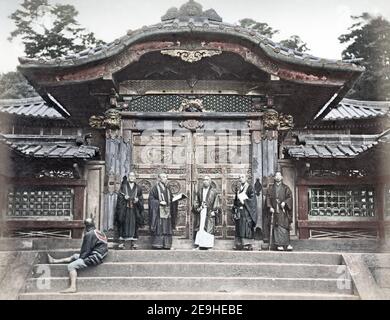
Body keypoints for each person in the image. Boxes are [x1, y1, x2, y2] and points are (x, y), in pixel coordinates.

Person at [47, 218, 108, 293]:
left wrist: (81, 259)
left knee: (71, 266)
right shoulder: (99, 232)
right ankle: (54, 261)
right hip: (100, 255)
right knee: (75, 256)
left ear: (86, 226)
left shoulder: (89, 234)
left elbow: (86, 250)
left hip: (94, 258)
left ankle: (72, 287)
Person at [114, 172, 144, 249]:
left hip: (134, 209)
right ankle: (122, 243)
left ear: (135, 178)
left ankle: (133, 243)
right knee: (123, 223)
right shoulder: (123, 187)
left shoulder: (138, 188)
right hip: (125, 209)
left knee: (134, 225)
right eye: (130, 176)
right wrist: (124, 198)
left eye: (133, 176)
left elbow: (140, 198)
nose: (131, 177)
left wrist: (138, 201)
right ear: (128, 177)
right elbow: (120, 196)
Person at [148, 173, 178, 250]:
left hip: (167, 212)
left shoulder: (167, 189)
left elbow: (171, 200)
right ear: (159, 179)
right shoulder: (155, 188)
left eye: (166, 177)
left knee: (167, 228)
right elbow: (151, 200)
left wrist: (175, 200)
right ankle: (158, 244)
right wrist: (159, 202)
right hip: (159, 212)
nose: (165, 179)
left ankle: (167, 245)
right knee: (159, 228)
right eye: (163, 177)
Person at [265, 171, 293, 251]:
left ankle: (287, 244)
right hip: (275, 210)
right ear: (274, 178)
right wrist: (270, 206)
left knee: (285, 227)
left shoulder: (286, 188)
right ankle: (279, 245)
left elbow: (289, 197)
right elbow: (268, 198)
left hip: (283, 210)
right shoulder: (270, 188)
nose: (277, 177)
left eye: (279, 175)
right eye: (276, 176)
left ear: (282, 177)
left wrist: (285, 202)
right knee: (277, 227)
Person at [192, 176, 221, 250]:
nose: (205, 181)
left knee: (209, 229)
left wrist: (214, 211)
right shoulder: (200, 191)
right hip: (201, 211)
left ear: (210, 181)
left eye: (207, 180)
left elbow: (216, 202)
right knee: (200, 228)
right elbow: (196, 201)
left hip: (209, 212)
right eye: (204, 180)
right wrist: (199, 207)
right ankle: (199, 245)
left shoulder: (214, 192)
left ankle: (208, 245)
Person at [232, 174, 258, 250]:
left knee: (246, 226)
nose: (241, 179)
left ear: (246, 178)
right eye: (240, 177)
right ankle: (239, 243)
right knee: (239, 226)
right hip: (240, 211)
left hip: (247, 211)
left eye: (242, 177)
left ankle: (248, 244)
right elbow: (236, 200)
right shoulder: (239, 188)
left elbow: (252, 200)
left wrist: (244, 202)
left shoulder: (250, 188)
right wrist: (235, 206)